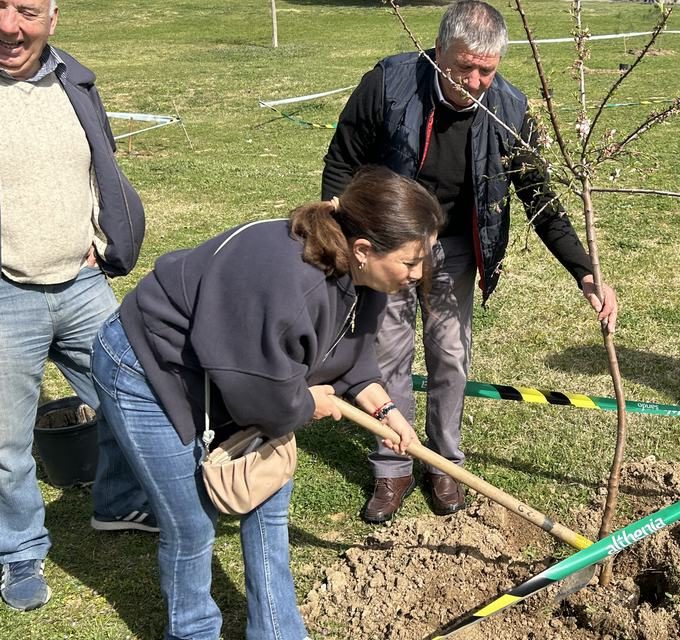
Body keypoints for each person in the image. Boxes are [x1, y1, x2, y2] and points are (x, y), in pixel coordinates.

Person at [91, 167, 441, 639]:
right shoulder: (290, 284)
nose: (419, 274)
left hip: (236, 375)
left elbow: (350, 354)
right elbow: (263, 399)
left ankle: (278, 633)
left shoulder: (367, 280)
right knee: (192, 526)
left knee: (269, 497)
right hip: (148, 369)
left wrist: (387, 412)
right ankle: (193, 631)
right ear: (363, 250)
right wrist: (307, 403)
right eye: (411, 261)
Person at [321, 0, 619, 525]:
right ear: (439, 52)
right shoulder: (388, 85)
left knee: (450, 354)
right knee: (387, 351)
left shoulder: (508, 107)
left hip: (458, 245)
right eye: (465, 68)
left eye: (488, 70)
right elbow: (343, 158)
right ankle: (392, 467)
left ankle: (445, 463)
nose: (476, 81)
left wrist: (584, 269)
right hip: (391, 241)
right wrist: (345, 229)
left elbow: (538, 195)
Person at [0, 0, 149, 613]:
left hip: (81, 284)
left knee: (133, 399)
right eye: (0, 8)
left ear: (52, 19)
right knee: (6, 442)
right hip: (7, 293)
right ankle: (19, 551)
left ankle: (117, 504)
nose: (10, 26)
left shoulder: (75, 81)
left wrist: (104, 236)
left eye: (27, 11)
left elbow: (101, 167)